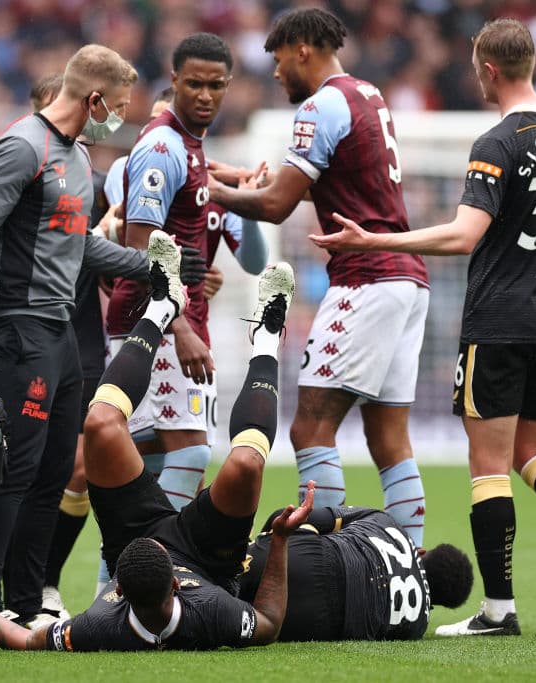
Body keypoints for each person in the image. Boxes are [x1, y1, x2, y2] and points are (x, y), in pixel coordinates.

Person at [310, 18, 536, 638]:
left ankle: (500, 611)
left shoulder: (496, 142)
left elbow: (463, 233)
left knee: (489, 466)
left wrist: (378, 237)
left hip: (500, 320)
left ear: (488, 69)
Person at [0, 232, 311, 650]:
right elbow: (267, 621)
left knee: (100, 426)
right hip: (208, 552)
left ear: (115, 592)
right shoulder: (213, 611)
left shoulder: (102, 624)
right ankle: (267, 336)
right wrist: (280, 539)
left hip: (134, 535)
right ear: (177, 585)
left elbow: (22, 639)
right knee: (247, 463)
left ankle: (162, 306)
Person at [207, 8, 431, 547]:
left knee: (309, 428)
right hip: (407, 281)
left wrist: (209, 190)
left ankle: (329, 556)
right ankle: (409, 567)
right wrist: (250, 183)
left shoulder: (320, 105)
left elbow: (278, 205)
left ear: (302, 50)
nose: (278, 73)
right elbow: (334, 183)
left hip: (365, 279)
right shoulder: (369, 96)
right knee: (389, 436)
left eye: (280, 61)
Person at [0, 45, 143, 637]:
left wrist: (149, 266)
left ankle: (27, 602)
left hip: (61, 333)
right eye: (119, 106)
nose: (120, 117)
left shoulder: (80, 158)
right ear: (94, 99)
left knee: (54, 472)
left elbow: (78, 245)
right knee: (14, 468)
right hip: (16, 327)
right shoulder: (20, 146)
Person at [27, 75, 206, 622]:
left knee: (82, 465)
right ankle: (21, 589)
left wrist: (183, 276)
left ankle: (54, 586)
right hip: (32, 331)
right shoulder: (22, 166)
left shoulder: (104, 179)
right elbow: (75, 247)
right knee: (35, 465)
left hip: (84, 336)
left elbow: (113, 271)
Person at [104, 34, 236, 521]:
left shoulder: (192, 145)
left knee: (148, 459)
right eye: (195, 84)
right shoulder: (163, 144)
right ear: (175, 81)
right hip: (155, 326)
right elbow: (140, 242)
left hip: (163, 322)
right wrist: (178, 327)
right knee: (190, 454)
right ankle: (169, 562)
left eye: (216, 85)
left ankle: (119, 582)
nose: (205, 95)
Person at [239, 505, 474, 641]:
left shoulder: (387, 521)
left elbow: (297, 515)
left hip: (315, 557)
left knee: (223, 567)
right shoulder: (417, 627)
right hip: (318, 622)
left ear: (421, 552)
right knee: (236, 609)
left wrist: (264, 542)